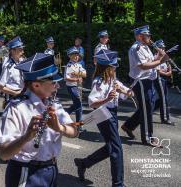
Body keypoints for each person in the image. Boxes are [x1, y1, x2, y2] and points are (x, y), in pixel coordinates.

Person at [0, 53, 80, 187]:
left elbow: (75, 131)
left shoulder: (53, 103)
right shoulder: (16, 108)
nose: (57, 86)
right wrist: (26, 137)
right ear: (36, 85)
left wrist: (59, 128)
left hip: (51, 169)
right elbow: (4, 154)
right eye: (53, 82)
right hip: (25, 172)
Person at [74, 49, 133, 187]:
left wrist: (127, 91)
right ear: (107, 68)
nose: (115, 68)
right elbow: (91, 103)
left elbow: (129, 93)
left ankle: (83, 163)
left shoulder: (113, 79)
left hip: (112, 113)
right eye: (113, 66)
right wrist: (107, 99)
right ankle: (118, 184)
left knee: (111, 147)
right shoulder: (99, 82)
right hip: (103, 114)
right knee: (116, 148)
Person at [121, 25, 169, 146]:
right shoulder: (135, 48)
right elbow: (143, 66)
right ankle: (148, 138)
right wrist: (161, 61)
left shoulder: (145, 47)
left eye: (149, 35)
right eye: (147, 35)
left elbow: (151, 60)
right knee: (147, 109)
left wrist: (160, 55)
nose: (149, 37)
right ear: (140, 36)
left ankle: (128, 126)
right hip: (141, 81)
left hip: (148, 81)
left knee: (148, 107)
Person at [0, 36, 25, 108]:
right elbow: (0, 86)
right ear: (13, 51)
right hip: (12, 96)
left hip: (22, 94)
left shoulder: (22, 62)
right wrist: (15, 93)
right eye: (20, 50)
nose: (23, 52)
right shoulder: (8, 66)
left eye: (22, 49)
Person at [64, 47, 87, 132]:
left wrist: (77, 73)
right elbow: (66, 78)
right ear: (70, 56)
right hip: (71, 87)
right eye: (74, 55)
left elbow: (85, 74)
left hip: (78, 87)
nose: (76, 56)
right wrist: (76, 79)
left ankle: (65, 113)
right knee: (79, 106)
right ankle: (79, 126)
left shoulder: (79, 65)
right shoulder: (69, 65)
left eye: (77, 55)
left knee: (77, 105)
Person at [152, 40, 174, 125]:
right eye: (161, 47)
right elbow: (157, 70)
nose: (163, 49)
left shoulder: (165, 57)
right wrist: (165, 73)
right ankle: (165, 118)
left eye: (163, 47)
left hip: (165, 78)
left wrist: (169, 72)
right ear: (157, 49)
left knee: (163, 98)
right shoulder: (155, 57)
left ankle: (149, 110)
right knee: (163, 98)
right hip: (159, 78)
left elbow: (169, 67)